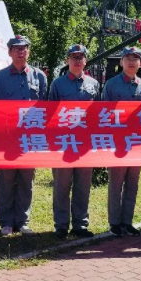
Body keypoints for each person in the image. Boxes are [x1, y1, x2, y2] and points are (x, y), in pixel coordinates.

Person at [0, 35, 47, 236]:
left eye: (24, 48)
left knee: (26, 181)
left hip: (30, 138)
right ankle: (6, 222)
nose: (20, 52)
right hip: (7, 138)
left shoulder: (39, 77)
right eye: (16, 49)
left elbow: (44, 108)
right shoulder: (0, 77)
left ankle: (22, 221)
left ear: (28, 51)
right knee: (5, 181)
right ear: (9, 52)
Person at [48, 44, 98, 239]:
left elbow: (98, 114)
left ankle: (80, 225)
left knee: (83, 186)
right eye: (73, 57)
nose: (77, 60)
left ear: (85, 61)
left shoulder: (94, 84)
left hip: (85, 145)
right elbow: (50, 115)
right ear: (67, 60)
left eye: (81, 57)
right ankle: (61, 225)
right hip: (63, 143)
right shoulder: (58, 84)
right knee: (61, 186)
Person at [101, 46, 141, 237]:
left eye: (135, 58)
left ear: (140, 63)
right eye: (127, 58)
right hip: (117, 143)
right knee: (116, 184)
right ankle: (114, 223)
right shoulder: (111, 85)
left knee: (132, 183)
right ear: (121, 62)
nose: (131, 61)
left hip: (137, 143)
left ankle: (127, 222)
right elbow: (104, 114)